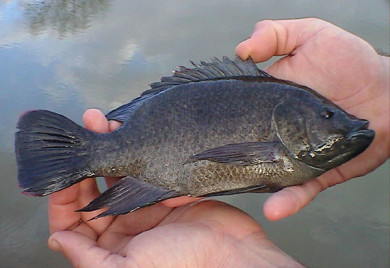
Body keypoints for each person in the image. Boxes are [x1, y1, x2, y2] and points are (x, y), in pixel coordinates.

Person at [47, 18, 389, 267]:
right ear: (289, 122)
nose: (342, 123)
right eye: (327, 116)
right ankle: (83, 156)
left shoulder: (286, 132)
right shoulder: (279, 145)